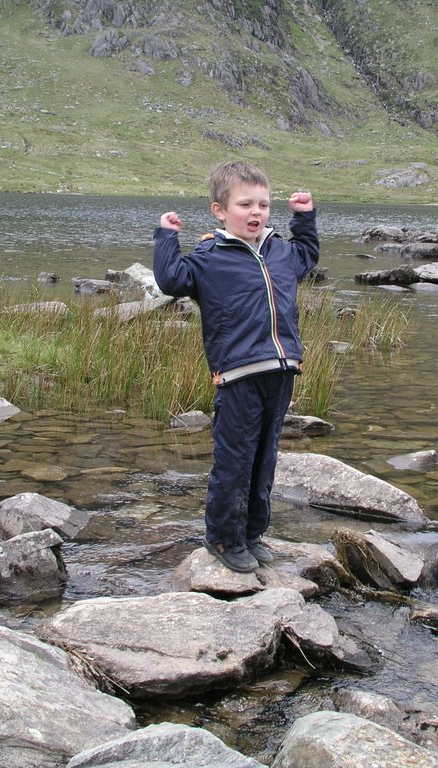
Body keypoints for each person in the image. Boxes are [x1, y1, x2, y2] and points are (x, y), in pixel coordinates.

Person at [153, 160, 319, 573]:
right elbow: (171, 280)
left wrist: (304, 218)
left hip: (281, 372)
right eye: (245, 204)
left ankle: (252, 534)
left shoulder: (281, 251)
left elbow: (308, 255)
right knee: (235, 461)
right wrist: (167, 237)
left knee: (265, 457)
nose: (256, 212)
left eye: (263, 204)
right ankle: (224, 539)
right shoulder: (210, 257)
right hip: (238, 376)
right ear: (220, 211)